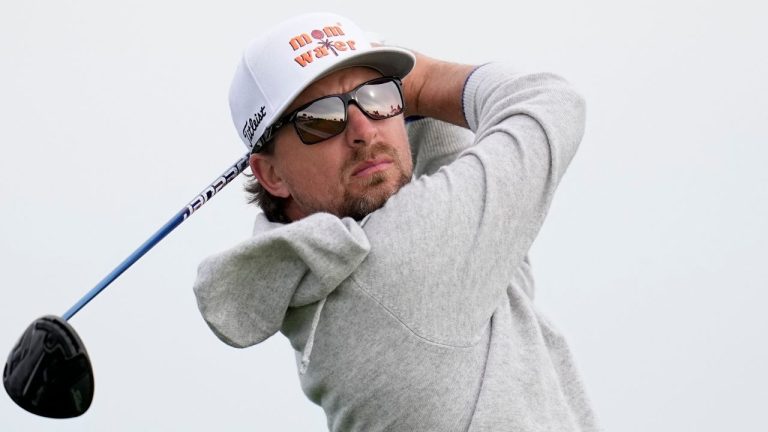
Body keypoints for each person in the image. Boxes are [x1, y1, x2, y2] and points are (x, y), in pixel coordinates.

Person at [193, 11, 600, 432]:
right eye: (321, 119)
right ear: (272, 174)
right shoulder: (403, 261)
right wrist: (421, 82)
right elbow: (549, 101)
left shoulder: (328, 277)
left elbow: (443, 153)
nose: (364, 131)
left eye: (378, 97)